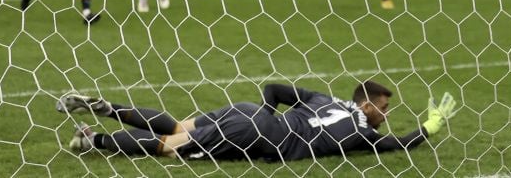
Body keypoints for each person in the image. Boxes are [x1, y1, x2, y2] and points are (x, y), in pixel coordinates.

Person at [56, 81, 456, 162]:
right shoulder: (362, 132)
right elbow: (396, 145)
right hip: (259, 135)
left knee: (178, 127)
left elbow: (275, 88)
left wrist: (265, 114)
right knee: (169, 147)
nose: (387, 116)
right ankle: (96, 141)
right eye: (384, 108)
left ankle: (107, 108)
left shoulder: (323, 97)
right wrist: (429, 126)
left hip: (249, 112)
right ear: (367, 106)